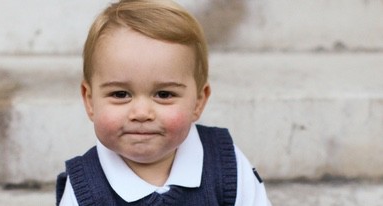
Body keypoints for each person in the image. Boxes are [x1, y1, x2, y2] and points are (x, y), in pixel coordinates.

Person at [56, 0, 271, 205]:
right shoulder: (84, 186)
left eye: (164, 94)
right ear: (90, 100)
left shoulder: (225, 164)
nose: (141, 113)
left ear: (198, 102)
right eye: (120, 94)